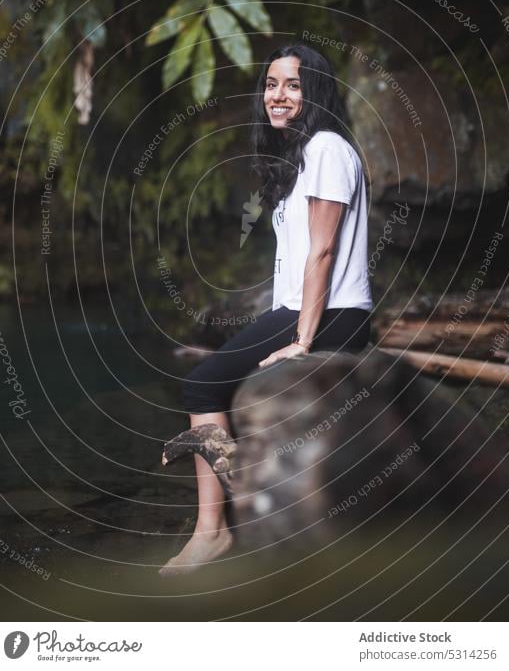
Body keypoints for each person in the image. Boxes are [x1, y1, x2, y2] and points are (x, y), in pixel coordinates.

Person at [159, 42, 373, 575]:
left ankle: (213, 531)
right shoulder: (303, 156)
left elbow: (323, 251)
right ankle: (243, 512)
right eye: (272, 84)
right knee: (222, 380)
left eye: (293, 85)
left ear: (315, 92)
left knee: (202, 384)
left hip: (330, 314)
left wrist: (301, 341)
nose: (278, 95)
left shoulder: (326, 148)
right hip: (313, 310)